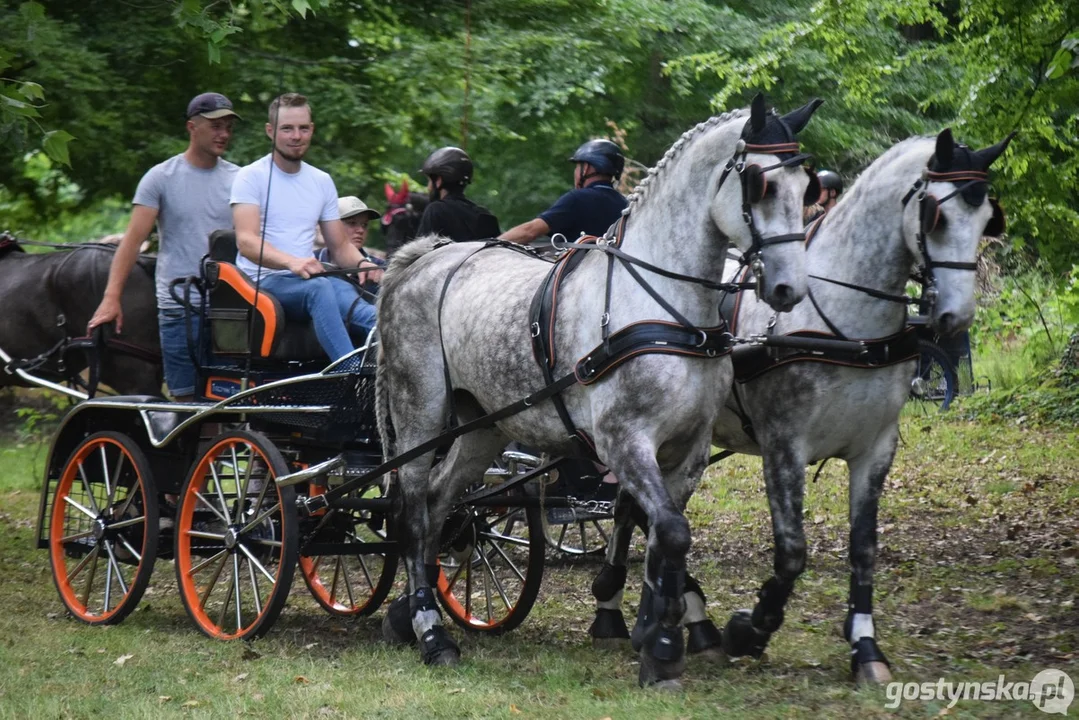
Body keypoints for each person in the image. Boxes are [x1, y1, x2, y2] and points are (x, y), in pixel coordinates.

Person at [87, 92, 241, 400]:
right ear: (191, 127)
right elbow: (131, 244)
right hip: (179, 304)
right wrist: (111, 298)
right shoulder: (160, 178)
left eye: (227, 127)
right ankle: (191, 448)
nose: (223, 134)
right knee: (186, 397)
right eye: (215, 126)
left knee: (227, 398)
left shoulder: (240, 179)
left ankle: (217, 449)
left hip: (231, 307)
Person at [231, 93, 379, 360]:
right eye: (287, 128)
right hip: (259, 282)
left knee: (365, 306)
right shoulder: (251, 177)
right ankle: (348, 373)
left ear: (311, 130)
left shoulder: (321, 181)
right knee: (320, 288)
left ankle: (390, 370)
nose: (296, 136)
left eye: (302, 128)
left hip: (307, 279)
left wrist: (363, 264)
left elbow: (340, 245)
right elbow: (246, 242)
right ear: (270, 131)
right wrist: (291, 262)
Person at [500, 139, 628, 244]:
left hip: (576, 273)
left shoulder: (577, 199)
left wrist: (490, 245)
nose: (575, 172)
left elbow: (530, 231)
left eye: (577, 167)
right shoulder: (625, 205)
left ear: (586, 168)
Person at [415, 146, 501, 241]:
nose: (428, 187)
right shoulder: (485, 215)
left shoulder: (436, 210)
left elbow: (421, 252)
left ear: (438, 181)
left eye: (429, 181)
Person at [317, 196, 385, 288]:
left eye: (364, 225)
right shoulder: (311, 261)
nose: (361, 230)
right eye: (352, 223)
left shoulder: (379, 268)